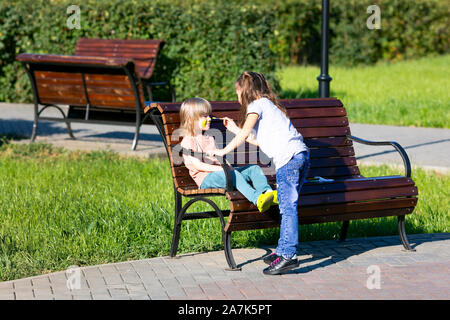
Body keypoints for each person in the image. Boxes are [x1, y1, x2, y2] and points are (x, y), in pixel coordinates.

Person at [211, 71, 311, 275]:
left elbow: (245, 135)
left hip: (288, 161)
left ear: (246, 91)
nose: (238, 98)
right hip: (301, 156)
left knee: (287, 208)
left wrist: (222, 151)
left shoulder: (256, 106)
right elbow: (257, 140)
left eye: (238, 93)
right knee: (287, 206)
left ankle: (288, 255)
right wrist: (235, 129)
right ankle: (283, 250)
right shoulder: (269, 105)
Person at [179, 97, 275, 213]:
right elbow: (198, 165)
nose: (209, 119)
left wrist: (227, 167)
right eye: (204, 116)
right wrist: (222, 169)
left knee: (254, 169)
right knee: (232, 173)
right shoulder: (188, 141)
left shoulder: (209, 138)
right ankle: (257, 199)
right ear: (190, 119)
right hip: (206, 179)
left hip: (223, 173)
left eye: (209, 115)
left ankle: (268, 194)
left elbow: (219, 158)